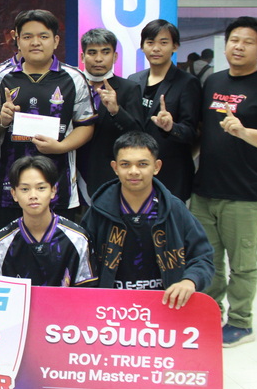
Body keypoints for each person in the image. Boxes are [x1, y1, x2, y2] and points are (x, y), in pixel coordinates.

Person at [191, 17, 257, 347]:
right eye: (234, 40)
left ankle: (241, 322)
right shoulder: (213, 82)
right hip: (205, 189)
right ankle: (211, 313)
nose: (239, 46)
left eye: (247, 42)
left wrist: (244, 131)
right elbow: (202, 132)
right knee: (208, 260)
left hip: (244, 193)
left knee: (242, 264)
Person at [82, 131, 215, 308]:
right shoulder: (100, 210)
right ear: (115, 167)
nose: (134, 171)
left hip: (165, 306)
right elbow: (81, 261)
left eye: (143, 164)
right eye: (125, 164)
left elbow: (203, 257)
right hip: (110, 308)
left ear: (156, 166)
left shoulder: (174, 209)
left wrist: (189, 281)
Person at [0, 9, 95, 228]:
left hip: (59, 185)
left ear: (55, 41)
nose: (35, 42)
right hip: (11, 187)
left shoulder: (74, 78)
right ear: (17, 41)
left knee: (58, 245)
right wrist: (2, 119)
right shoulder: (1, 77)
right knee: (11, 245)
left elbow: (85, 125)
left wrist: (61, 147)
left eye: (43, 36)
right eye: (27, 36)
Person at [0, 156, 96, 287]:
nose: (33, 196)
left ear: (53, 191)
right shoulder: (1, 243)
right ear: (14, 194)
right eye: (25, 189)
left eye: (41, 188)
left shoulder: (78, 238)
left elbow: (88, 292)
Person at [128, 19, 201, 202]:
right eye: (150, 42)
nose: (156, 48)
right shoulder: (134, 80)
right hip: (137, 172)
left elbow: (191, 132)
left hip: (171, 173)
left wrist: (171, 127)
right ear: (142, 47)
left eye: (163, 42)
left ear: (175, 46)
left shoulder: (187, 83)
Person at [76, 28, 144, 201]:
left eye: (105, 52)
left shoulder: (129, 89)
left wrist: (116, 111)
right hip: (70, 171)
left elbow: (138, 135)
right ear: (83, 57)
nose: (99, 59)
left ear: (115, 57)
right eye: (92, 53)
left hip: (107, 176)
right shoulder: (71, 86)